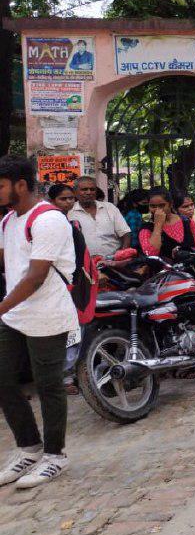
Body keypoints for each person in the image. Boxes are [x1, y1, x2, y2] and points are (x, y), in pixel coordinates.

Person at [0, 157, 78, 488]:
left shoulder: (48, 219)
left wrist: (1, 307)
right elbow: (8, 262)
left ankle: (55, 455)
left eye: (1, 185)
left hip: (47, 314)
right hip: (14, 314)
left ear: (20, 185)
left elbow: (36, 276)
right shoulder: (8, 220)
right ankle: (29, 449)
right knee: (3, 380)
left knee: (48, 386)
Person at [68, 175, 131, 258]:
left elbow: (125, 233)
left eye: (92, 189)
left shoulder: (109, 208)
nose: (89, 192)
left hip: (113, 260)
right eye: (84, 189)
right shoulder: (69, 212)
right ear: (75, 192)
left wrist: (122, 255)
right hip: (83, 262)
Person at [139, 187, 195, 259]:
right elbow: (151, 254)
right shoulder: (146, 228)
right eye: (153, 206)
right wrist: (158, 225)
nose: (157, 210)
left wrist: (184, 253)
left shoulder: (186, 221)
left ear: (170, 204)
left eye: (162, 205)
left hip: (190, 264)